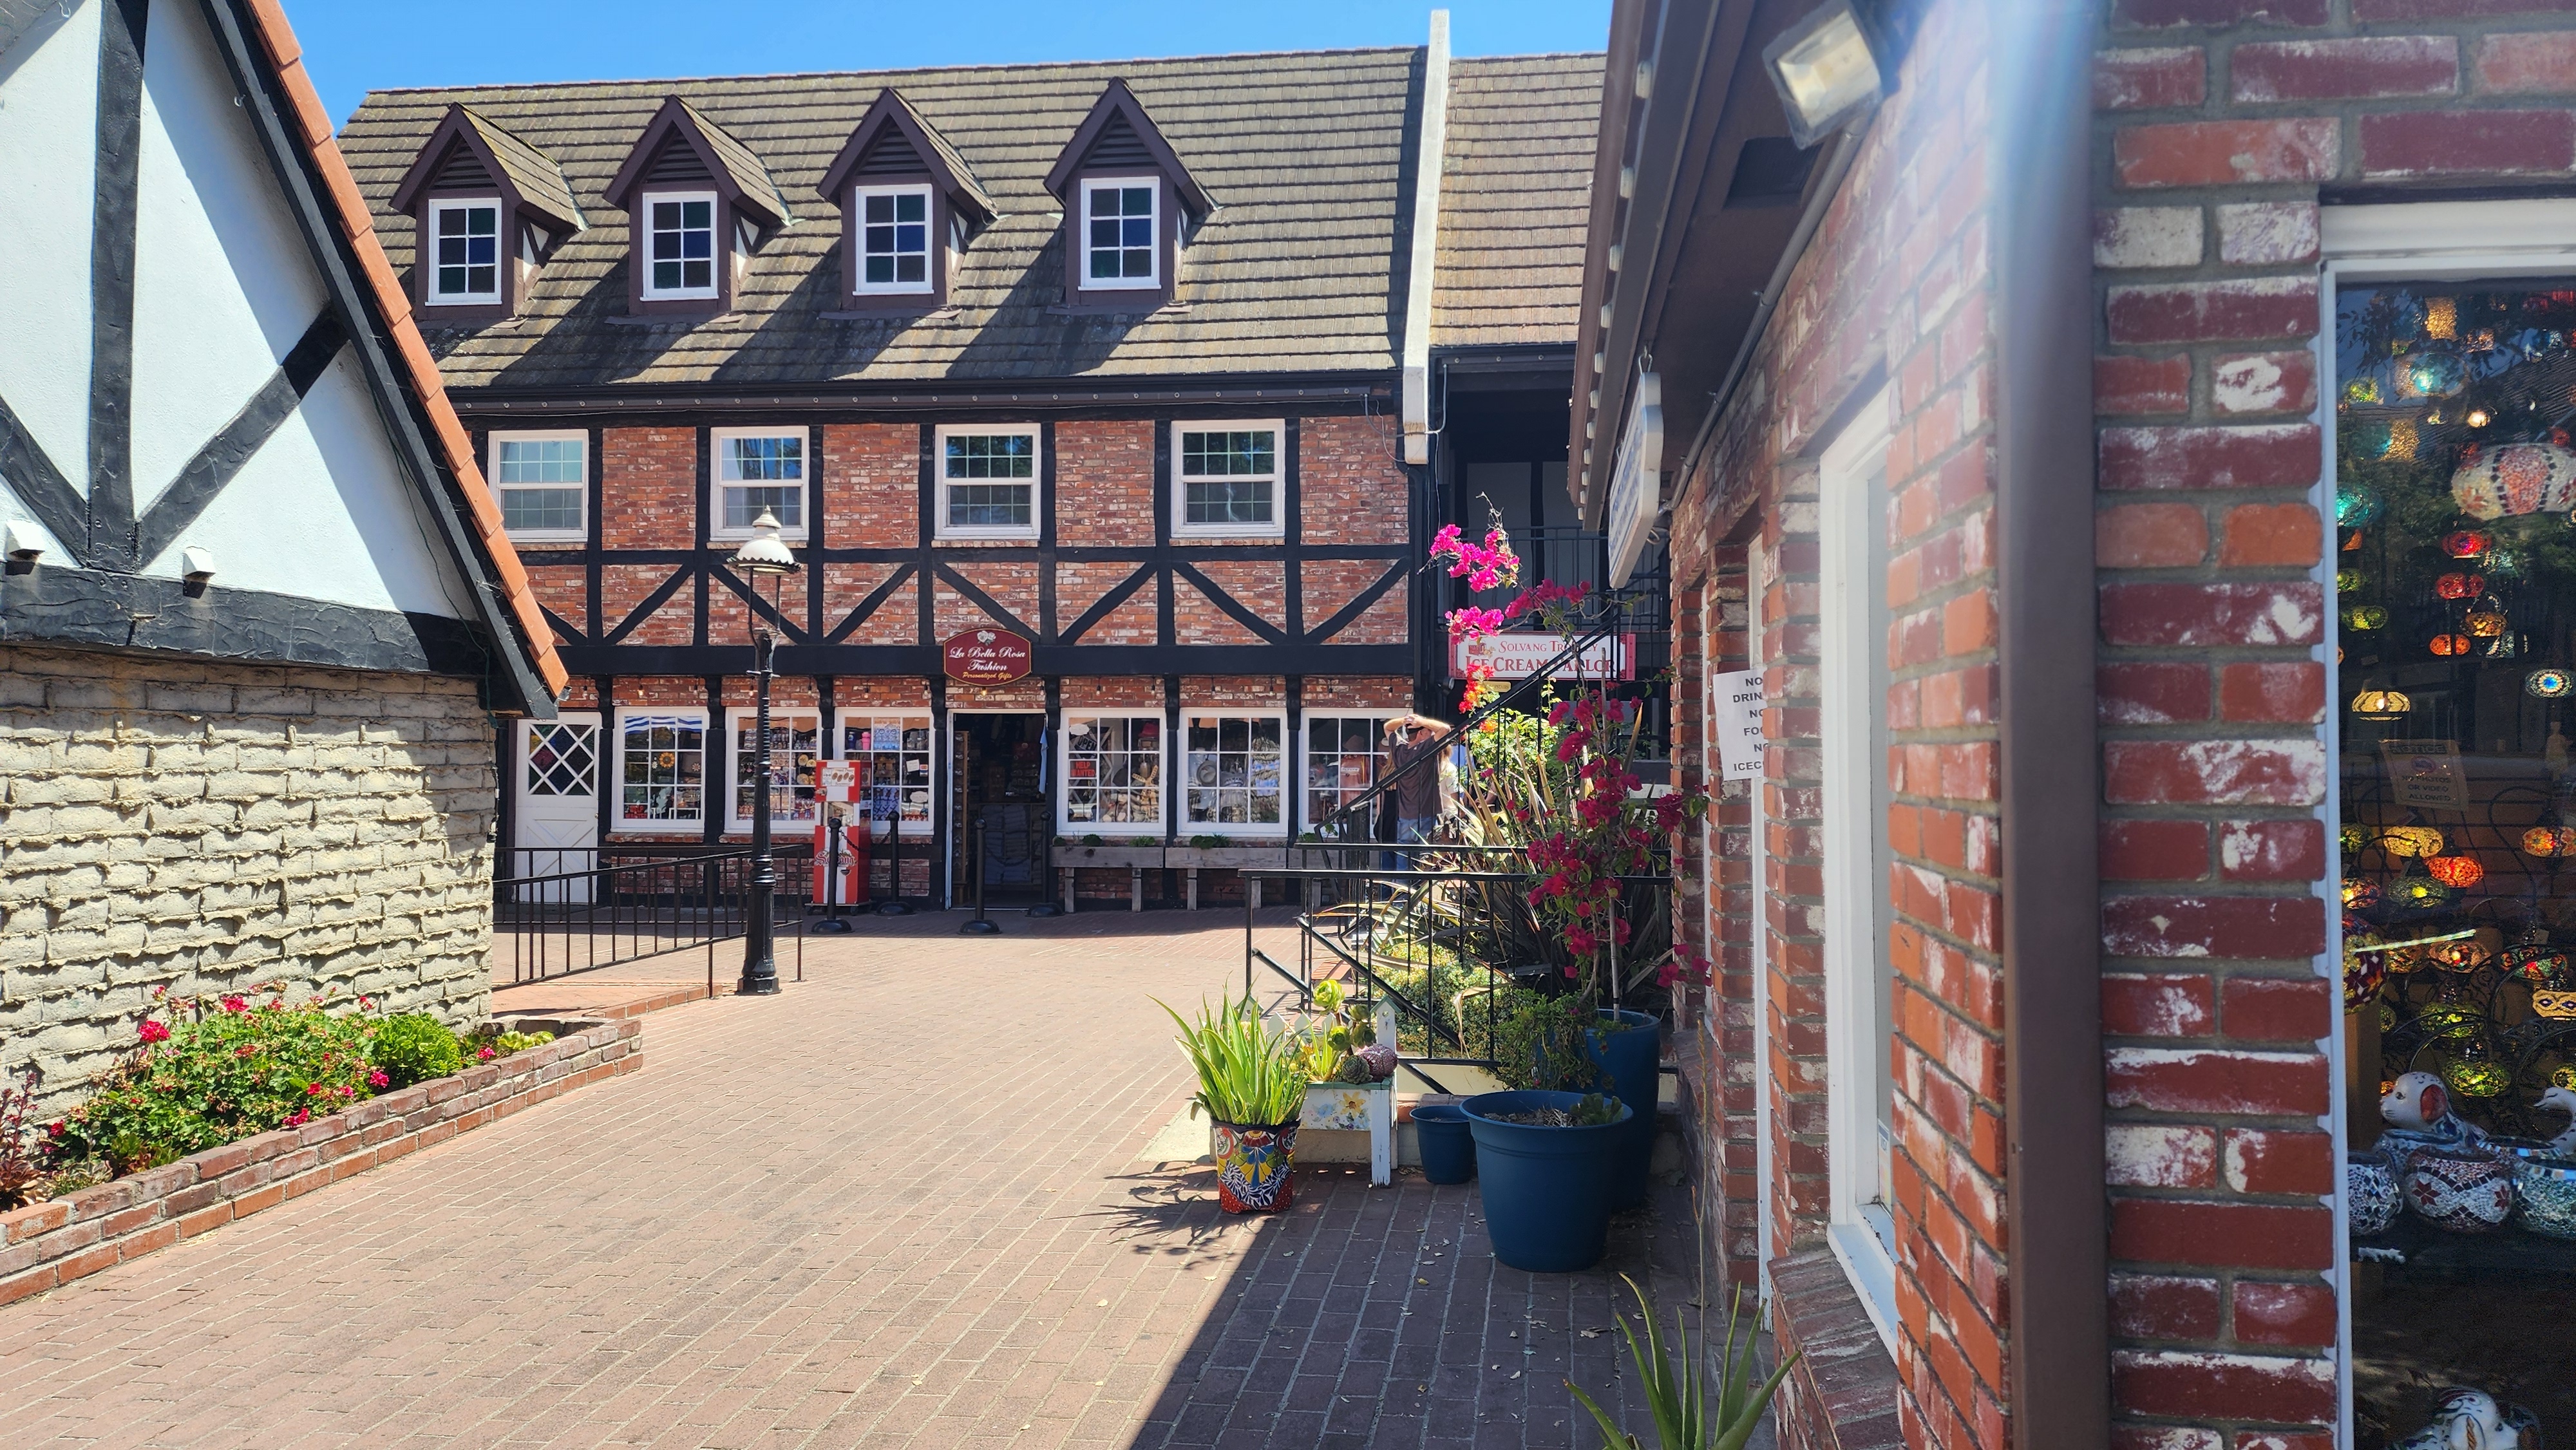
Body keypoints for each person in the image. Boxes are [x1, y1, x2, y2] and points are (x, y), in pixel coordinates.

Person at [1384, 714, 1451, 865]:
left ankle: (1402, 882)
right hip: (1425, 815)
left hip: (1405, 816)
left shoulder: (1400, 749)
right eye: (1428, 730)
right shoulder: (1426, 748)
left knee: (1404, 858)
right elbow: (1445, 729)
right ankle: (1422, 882)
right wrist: (1420, 721)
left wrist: (1405, 720)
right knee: (1426, 859)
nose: (1432, 733)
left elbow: (1387, 727)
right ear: (1421, 733)